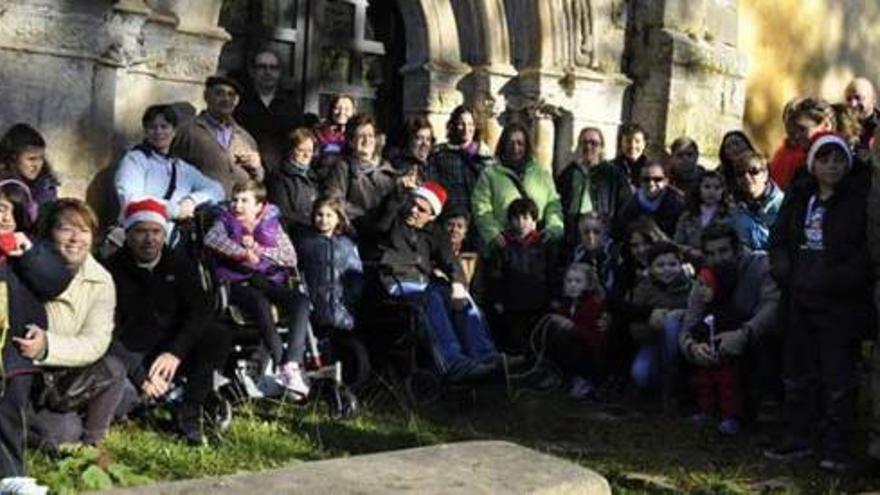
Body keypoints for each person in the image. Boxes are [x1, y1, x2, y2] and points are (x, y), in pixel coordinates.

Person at [765, 133, 871, 474]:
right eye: (825, 160)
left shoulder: (857, 200)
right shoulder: (800, 196)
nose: (832, 167)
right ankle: (797, 436)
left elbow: (863, 251)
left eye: (838, 160)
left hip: (839, 303)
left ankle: (836, 446)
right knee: (797, 372)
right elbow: (779, 238)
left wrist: (836, 278)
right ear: (813, 164)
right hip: (799, 296)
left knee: (837, 377)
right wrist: (784, 270)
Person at [105, 198, 231, 445]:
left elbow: (200, 309)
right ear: (127, 235)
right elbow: (107, 332)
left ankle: (190, 413)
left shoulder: (180, 264)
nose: (149, 239)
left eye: (156, 232)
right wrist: (140, 375)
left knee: (216, 334)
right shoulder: (110, 271)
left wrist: (175, 351)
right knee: (123, 398)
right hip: (132, 352)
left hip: (172, 350)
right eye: (141, 232)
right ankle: (149, 401)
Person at [374, 181, 503, 381]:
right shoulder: (394, 220)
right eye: (412, 204)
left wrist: (458, 285)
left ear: (432, 215)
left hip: (424, 283)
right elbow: (380, 225)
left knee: (463, 299)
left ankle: (486, 356)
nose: (414, 210)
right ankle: (453, 363)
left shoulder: (435, 232)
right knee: (431, 298)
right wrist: (398, 194)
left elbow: (451, 261)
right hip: (396, 282)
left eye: (422, 209)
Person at [26, 199, 125, 450]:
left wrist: (48, 346)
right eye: (66, 229)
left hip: (69, 372)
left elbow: (96, 342)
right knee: (64, 434)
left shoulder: (100, 280)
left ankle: (93, 443)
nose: (75, 238)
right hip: (32, 377)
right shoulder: (26, 268)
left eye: (84, 230)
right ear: (49, 234)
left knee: (119, 378)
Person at [203, 180, 310, 398]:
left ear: (259, 206)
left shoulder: (272, 224)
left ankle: (292, 363)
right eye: (235, 200)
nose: (237, 205)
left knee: (301, 301)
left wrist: (259, 250)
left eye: (244, 201)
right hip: (236, 283)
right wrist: (242, 253)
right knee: (257, 301)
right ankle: (282, 365)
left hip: (266, 279)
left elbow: (290, 257)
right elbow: (212, 240)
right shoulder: (224, 222)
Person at [0, 180, 72, 481]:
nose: (3, 217)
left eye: (8, 210)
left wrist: (28, 254)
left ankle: (11, 478)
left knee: (8, 421)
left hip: (14, 356)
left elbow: (55, 281)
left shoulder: (33, 248)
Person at [678, 222, 780, 424]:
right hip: (715, 346)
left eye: (723, 251)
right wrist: (693, 348)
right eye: (710, 253)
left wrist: (743, 334)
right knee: (672, 324)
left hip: (753, 339)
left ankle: (766, 405)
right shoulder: (705, 277)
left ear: (738, 248)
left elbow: (771, 308)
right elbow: (690, 321)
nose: (717, 258)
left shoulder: (761, 266)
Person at [115, 105, 225, 235]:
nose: (158, 132)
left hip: (175, 240)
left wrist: (191, 200)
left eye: (164, 127)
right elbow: (132, 200)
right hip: (143, 236)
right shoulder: (134, 160)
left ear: (174, 132)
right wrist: (176, 210)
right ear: (145, 131)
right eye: (152, 127)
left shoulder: (181, 167)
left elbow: (216, 189)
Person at [472, 122, 564, 249]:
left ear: (527, 146)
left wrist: (553, 230)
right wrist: (493, 233)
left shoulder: (541, 173)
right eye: (511, 143)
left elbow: (553, 205)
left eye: (520, 143)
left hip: (537, 243)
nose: (515, 148)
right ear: (504, 145)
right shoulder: (490, 175)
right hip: (503, 244)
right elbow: (481, 207)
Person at [170, 75, 263, 195]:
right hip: (202, 208)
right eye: (219, 93)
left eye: (231, 95)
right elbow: (172, 172)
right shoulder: (188, 131)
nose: (226, 99)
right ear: (206, 96)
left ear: (237, 101)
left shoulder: (245, 138)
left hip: (237, 209)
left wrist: (257, 168)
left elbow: (258, 181)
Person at [488, 198, 557, 353]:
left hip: (539, 303)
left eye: (525, 217)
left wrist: (553, 298)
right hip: (512, 304)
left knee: (538, 341)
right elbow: (496, 274)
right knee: (515, 343)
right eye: (516, 218)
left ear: (534, 220)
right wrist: (497, 299)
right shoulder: (503, 245)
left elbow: (551, 272)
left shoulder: (544, 244)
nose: (521, 222)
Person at [629, 242, 693, 405]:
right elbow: (634, 328)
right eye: (660, 265)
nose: (667, 269)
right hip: (652, 343)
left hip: (682, 344)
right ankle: (658, 387)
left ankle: (674, 389)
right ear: (650, 268)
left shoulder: (690, 287)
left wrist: (682, 316)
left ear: (681, 265)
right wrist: (652, 324)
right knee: (641, 374)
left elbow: (699, 314)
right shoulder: (643, 289)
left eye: (672, 264)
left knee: (672, 325)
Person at [681, 267, 742, 435]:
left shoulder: (729, 313)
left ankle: (729, 417)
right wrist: (695, 343)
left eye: (706, 285)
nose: (701, 290)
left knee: (727, 389)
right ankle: (706, 411)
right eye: (699, 285)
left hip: (725, 360)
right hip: (707, 358)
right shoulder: (706, 312)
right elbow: (696, 330)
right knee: (705, 386)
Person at [537, 263, 609, 400]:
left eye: (578, 281)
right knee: (549, 328)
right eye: (569, 281)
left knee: (563, 335)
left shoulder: (594, 304)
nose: (573, 285)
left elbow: (597, 339)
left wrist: (571, 326)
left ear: (588, 285)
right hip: (575, 350)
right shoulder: (569, 303)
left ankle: (584, 379)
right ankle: (557, 372)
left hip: (591, 355)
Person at [556, 127, 631, 253]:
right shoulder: (569, 173)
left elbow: (624, 206)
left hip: (602, 232)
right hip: (573, 233)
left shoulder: (614, 174)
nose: (588, 147)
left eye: (594, 143)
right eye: (584, 143)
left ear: (601, 147)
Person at [297, 196, 363, 334]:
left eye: (329, 215)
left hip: (344, 311)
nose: (324, 220)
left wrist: (351, 300)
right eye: (319, 215)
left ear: (338, 218)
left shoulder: (346, 245)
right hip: (316, 308)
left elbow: (356, 275)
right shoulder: (305, 243)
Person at [323, 114, 397, 231]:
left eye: (370, 135)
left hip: (386, 233)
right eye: (361, 136)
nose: (367, 140)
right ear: (351, 142)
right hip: (357, 231)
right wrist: (363, 216)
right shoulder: (343, 167)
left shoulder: (387, 169)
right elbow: (335, 201)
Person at [426, 105, 495, 223]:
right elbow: (433, 185)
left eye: (470, 124)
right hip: (451, 219)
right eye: (461, 124)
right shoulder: (441, 154)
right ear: (453, 126)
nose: (466, 128)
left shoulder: (485, 155)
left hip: (478, 220)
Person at [234, 49, 299, 169]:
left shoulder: (290, 105)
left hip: (282, 172)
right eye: (261, 67)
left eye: (273, 67)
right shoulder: (240, 103)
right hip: (247, 169)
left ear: (279, 73)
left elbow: (296, 139)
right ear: (252, 71)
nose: (267, 72)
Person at [265, 127, 320, 241]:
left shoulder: (314, 176)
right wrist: (313, 221)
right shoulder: (278, 177)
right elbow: (282, 212)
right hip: (296, 235)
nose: (306, 155)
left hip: (319, 229)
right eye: (301, 150)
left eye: (310, 150)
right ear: (290, 150)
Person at [769, 98, 834, 190]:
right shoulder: (794, 162)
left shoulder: (843, 161)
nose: (797, 136)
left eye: (802, 129)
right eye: (794, 130)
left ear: (826, 125)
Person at [612, 159, 685, 240]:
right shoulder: (631, 203)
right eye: (646, 179)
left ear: (666, 181)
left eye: (657, 179)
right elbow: (618, 232)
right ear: (640, 181)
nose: (651, 184)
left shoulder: (678, 203)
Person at [729, 151, 784, 251]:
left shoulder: (784, 205)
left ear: (765, 174)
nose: (746, 177)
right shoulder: (732, 209)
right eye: (740, 173)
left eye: (753, 171)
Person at [673, 170, 732, 264]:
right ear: (699, 189)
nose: (711, 192)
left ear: (723, 191)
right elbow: (677, 243)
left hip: (720, 262)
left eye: (717, 188)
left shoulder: (730, 215)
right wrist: (690, 251)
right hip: (691, 262)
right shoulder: (687, 216)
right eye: (707, 187)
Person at [0, 123, 59, 206]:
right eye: (31, 159)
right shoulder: (3, 186)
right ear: (13, 157)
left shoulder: (46, 185)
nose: (37, 165)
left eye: (41, 158)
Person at [388, 115, 434, 181]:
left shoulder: (432, 166)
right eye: (419, 138)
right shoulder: (398, 167)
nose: (425, 144)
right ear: (408, 140)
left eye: (428, 139)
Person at [844, 77, 879, 153]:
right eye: (848, 99)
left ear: (873, 99)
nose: (853, 104)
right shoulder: (839, 126)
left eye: (858, 98)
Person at [717, 130, 758, 194]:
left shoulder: (760, 165)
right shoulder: (720, 171)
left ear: (747, 144)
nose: (733, 149)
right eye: (728, 147)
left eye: (736, 143)